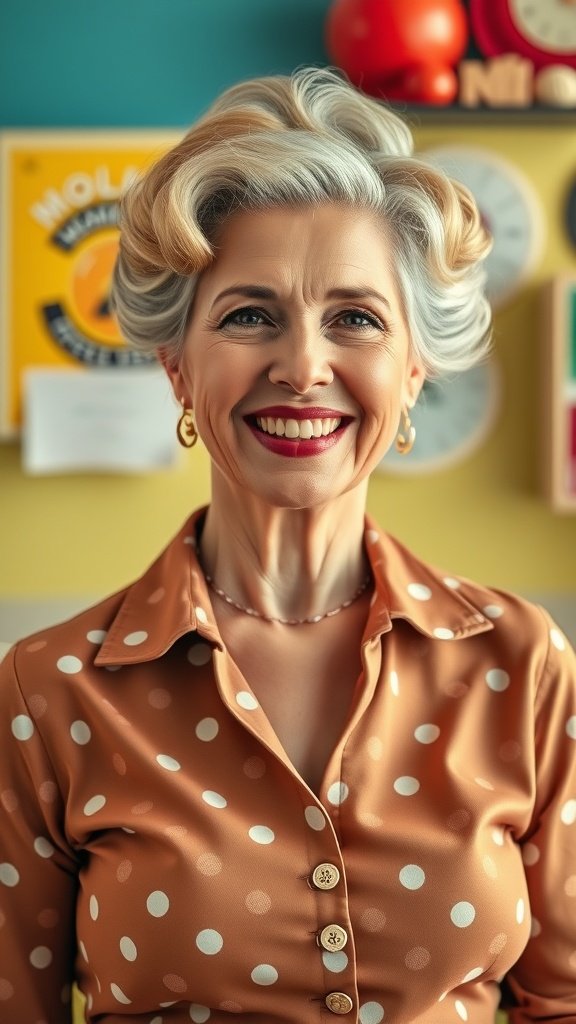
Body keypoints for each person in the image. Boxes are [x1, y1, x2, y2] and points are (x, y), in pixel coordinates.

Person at [0, 67, 575, 1024]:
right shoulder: (47, 695)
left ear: (412, 367)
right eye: (249, 315)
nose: (303, 367)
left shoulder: (526, 667)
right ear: (178, 368)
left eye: (354, 318)